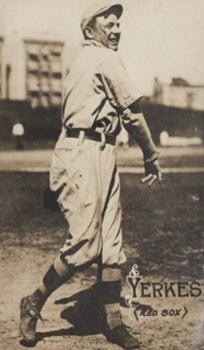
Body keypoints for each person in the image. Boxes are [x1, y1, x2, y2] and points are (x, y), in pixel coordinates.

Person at [19, 2, 162, 349]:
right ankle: (34, 300)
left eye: (117, 24)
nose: (115, 30)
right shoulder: (103, 58)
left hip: (99, 150)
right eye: (108, 23)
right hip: (83, 151)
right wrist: (151, 155)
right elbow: (132, 113)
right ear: (89, 29)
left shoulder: (84, 60)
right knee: (85, 245)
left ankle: (113, 321)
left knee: (111, 245)